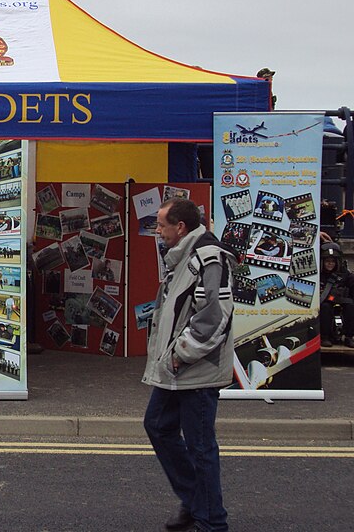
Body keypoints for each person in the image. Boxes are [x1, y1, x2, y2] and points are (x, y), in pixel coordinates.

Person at [142, 198, 237, 532]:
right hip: (176, 367)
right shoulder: (184, 255)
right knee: (157, 424)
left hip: (195, 368)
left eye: (161, 224)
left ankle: (211, 520)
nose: (157, 230)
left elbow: (214, 318)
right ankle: (196, 500)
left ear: (180, 227)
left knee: (199, 446)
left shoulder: (210, 258)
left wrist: (180, 354)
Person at [319, 241, 354, 348]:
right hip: (325, 301)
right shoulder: (318, 274)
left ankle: (349, 337)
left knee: (350, 306)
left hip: (341, 299)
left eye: (333, 261)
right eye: (327, 261)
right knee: (325, 307)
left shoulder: (344, 273)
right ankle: (325, 337)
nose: (330, 264)